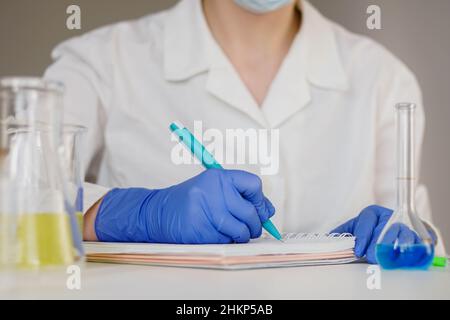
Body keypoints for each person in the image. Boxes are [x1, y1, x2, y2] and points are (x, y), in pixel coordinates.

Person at [44, 0, 442, 263]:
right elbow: (12, 194)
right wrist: (131, 213)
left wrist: (402, 244)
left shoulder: (384, 79)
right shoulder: (102, 62)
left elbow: (431, 260)